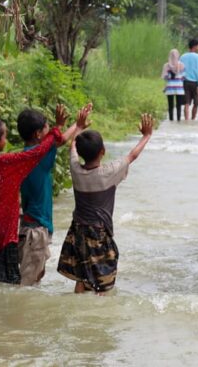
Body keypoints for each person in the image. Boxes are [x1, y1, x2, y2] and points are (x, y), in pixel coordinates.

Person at [0, 107, 72, 284]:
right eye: (4, 136)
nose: (7, 139)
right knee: (7, 280)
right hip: (3, 231)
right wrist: (56, 128)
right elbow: (37, 152)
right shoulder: (5, 164)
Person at [57, 114, 154, 295]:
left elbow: (73, 149)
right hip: (98, 233)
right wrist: (146, 136)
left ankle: (79, 309)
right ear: (103, 151)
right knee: (102, 281)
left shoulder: (76, 170)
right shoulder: (109, 173)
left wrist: (78, 127)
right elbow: (132, 155)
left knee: (82, 275)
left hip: (77, 230)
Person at [15, 104, 92, 286]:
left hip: (29, 226)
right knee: (27, 283)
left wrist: (77, 125)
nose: (50, 130)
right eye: (47, 127)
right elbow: (61, 140)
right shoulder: (39, 157)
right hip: (36, 231)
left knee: (36, 274)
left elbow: (57, 140)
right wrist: (77, 126)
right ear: (38, 134)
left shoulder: (25, 155)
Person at [180, 39, 198, 120]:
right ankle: (193, 119)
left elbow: (180, 69)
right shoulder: (197, 57)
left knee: (186, 103)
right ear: (194, 46)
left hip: (185, 82)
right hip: (195, 83)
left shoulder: (182, 56)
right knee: (196, 103)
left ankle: (186, 120)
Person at [162, 49, 185, 121]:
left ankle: (171, 119)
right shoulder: (181, 65)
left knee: (170, 105)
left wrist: (170, 76)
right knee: (179, 105)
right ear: (178, 55)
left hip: (170, 88)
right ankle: (178, 120)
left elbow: (165, 77)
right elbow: (184, 77)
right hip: (179, 88)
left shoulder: (166, 65)